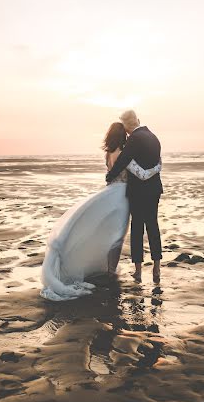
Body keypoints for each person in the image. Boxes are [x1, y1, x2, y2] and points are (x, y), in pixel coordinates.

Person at [39, 121, 161, 301]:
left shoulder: (108, 153)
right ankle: (111, 270)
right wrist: (158, 165)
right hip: (122, 197)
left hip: (110, 193)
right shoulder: (124, 154)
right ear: (123, 136)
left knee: (106, 232)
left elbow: (109, 175)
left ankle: (108, 268)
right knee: (117, 236)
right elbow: (138, 172)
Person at [105, 109, 163, 284]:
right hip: (154, 190)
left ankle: (138, 271)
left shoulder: (134, 139)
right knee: (153, 226)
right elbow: (156, 161)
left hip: (138, 192)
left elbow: (123, 160)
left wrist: (109, 176)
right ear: (137, 120)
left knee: (137, 229)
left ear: (126, 126)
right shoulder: (154, 137)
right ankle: (157, 267)